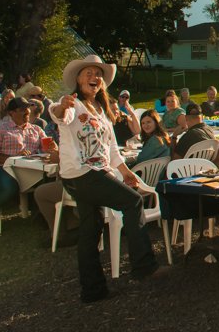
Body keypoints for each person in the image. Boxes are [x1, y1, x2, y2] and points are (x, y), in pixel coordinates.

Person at [49, 55, 162, 302]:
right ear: (78, 80)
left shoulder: (101, 110)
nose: (94, 77)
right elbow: (59, 115)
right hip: (81, 173)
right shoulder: (72, 104)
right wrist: (62, 106)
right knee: (133, 202)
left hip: (97, 172)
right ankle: (143, 266)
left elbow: (110, 148)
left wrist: (125, 172)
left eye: (98, 74)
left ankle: (93, 290)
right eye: (88, 73)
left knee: (91, 230)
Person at [0, 97, 45, 229]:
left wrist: (52, 148)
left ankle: (40, 218)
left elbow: (47, 148)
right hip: (2, 167)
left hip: (30, 168)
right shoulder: (0, 129)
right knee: (8, 188)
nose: (27, 111)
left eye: (28, 108)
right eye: (22, 109)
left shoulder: (36, 129)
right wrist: (13, 158)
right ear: (11, 113)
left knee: (49, 180)